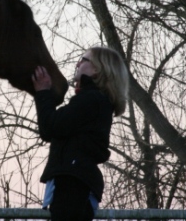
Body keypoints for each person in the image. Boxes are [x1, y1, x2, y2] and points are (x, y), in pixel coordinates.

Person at [31, 46, 129, 221]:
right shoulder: (96, 101)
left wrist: (43, 92)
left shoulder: (92, 100)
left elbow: (50, 127)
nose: (78, 63)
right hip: (77, 184)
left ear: (97, 69)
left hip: (72, 185)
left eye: (84, 59)